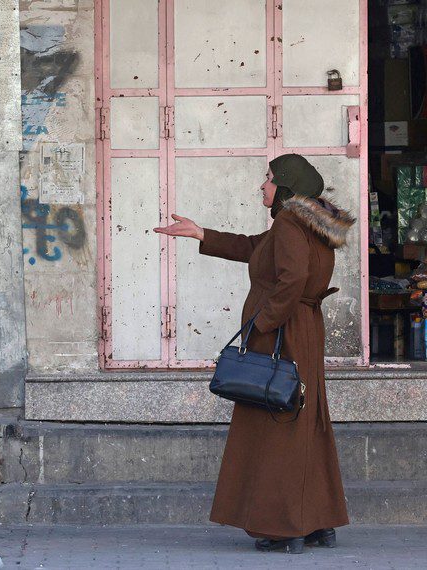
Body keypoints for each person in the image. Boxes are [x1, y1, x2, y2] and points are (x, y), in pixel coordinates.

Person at [155, 154, 354, 553]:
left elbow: (292, 278)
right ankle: (317, 523)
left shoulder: (288, 223)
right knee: (304, 422)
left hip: (282, 334)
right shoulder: (305, 223)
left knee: (278, 427)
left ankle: (286, 527)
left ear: (285, 186)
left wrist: (262, 324)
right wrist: (201, 234)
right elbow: (254, 248)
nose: (262, 185)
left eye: (268, 178)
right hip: (303, 333)